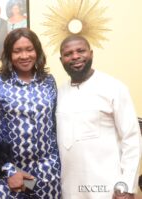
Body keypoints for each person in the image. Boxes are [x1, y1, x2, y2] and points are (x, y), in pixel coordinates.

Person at [56, 35, 141, 199]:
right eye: (68, 54)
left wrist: (126, 186)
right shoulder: (58, 94)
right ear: (61, 60)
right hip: (70, 190)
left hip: (109, 189)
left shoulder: (114, 87)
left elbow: (131, 139)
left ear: (91, 54)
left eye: (81, 50)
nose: (75, 56)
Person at [0, 28, 61, 198]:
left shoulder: (48, 81)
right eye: (17, 51)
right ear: (9, 54)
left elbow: (54, 125)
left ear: (37, 51)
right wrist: (9, 171)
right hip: (12, 174)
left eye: (29, 49)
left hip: (48, 172)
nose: (24, 56)